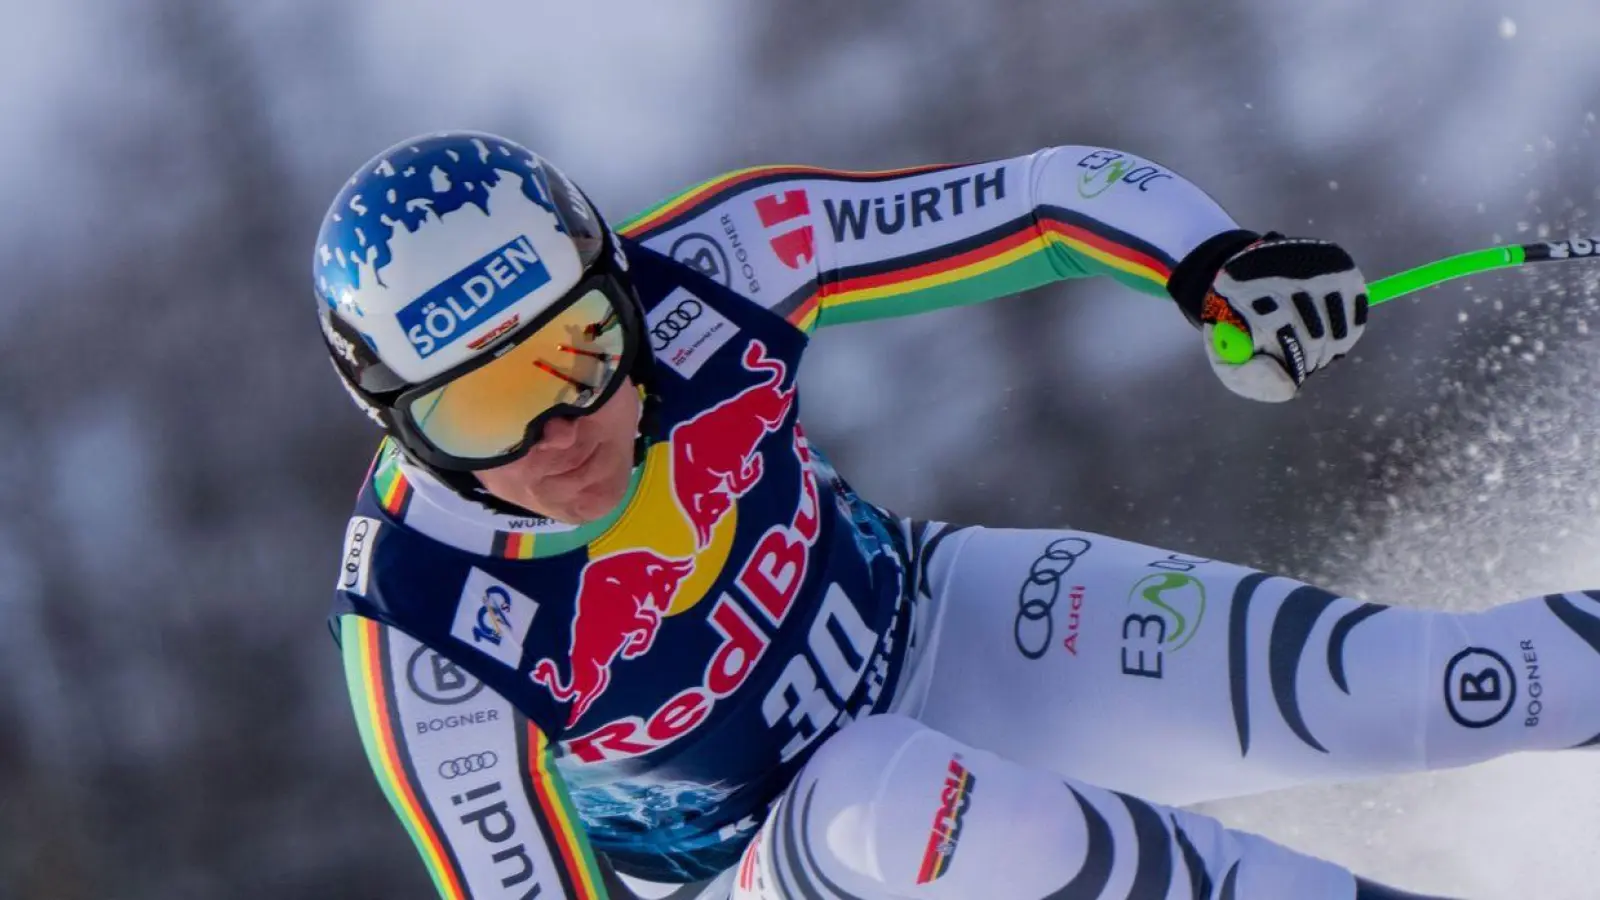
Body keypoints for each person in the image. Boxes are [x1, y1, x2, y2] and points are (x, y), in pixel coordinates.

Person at [315, 131, 1598, 900]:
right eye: (480, 413)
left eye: (580, 349)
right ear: (392, 419)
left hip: (943, 622)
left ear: (621, 285)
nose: (561, 431)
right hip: (771, 863)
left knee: (1450, 683)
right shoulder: (422, 630)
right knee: (892, 787)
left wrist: (1214, 267)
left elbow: (1043, 196)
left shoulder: (718, 260)